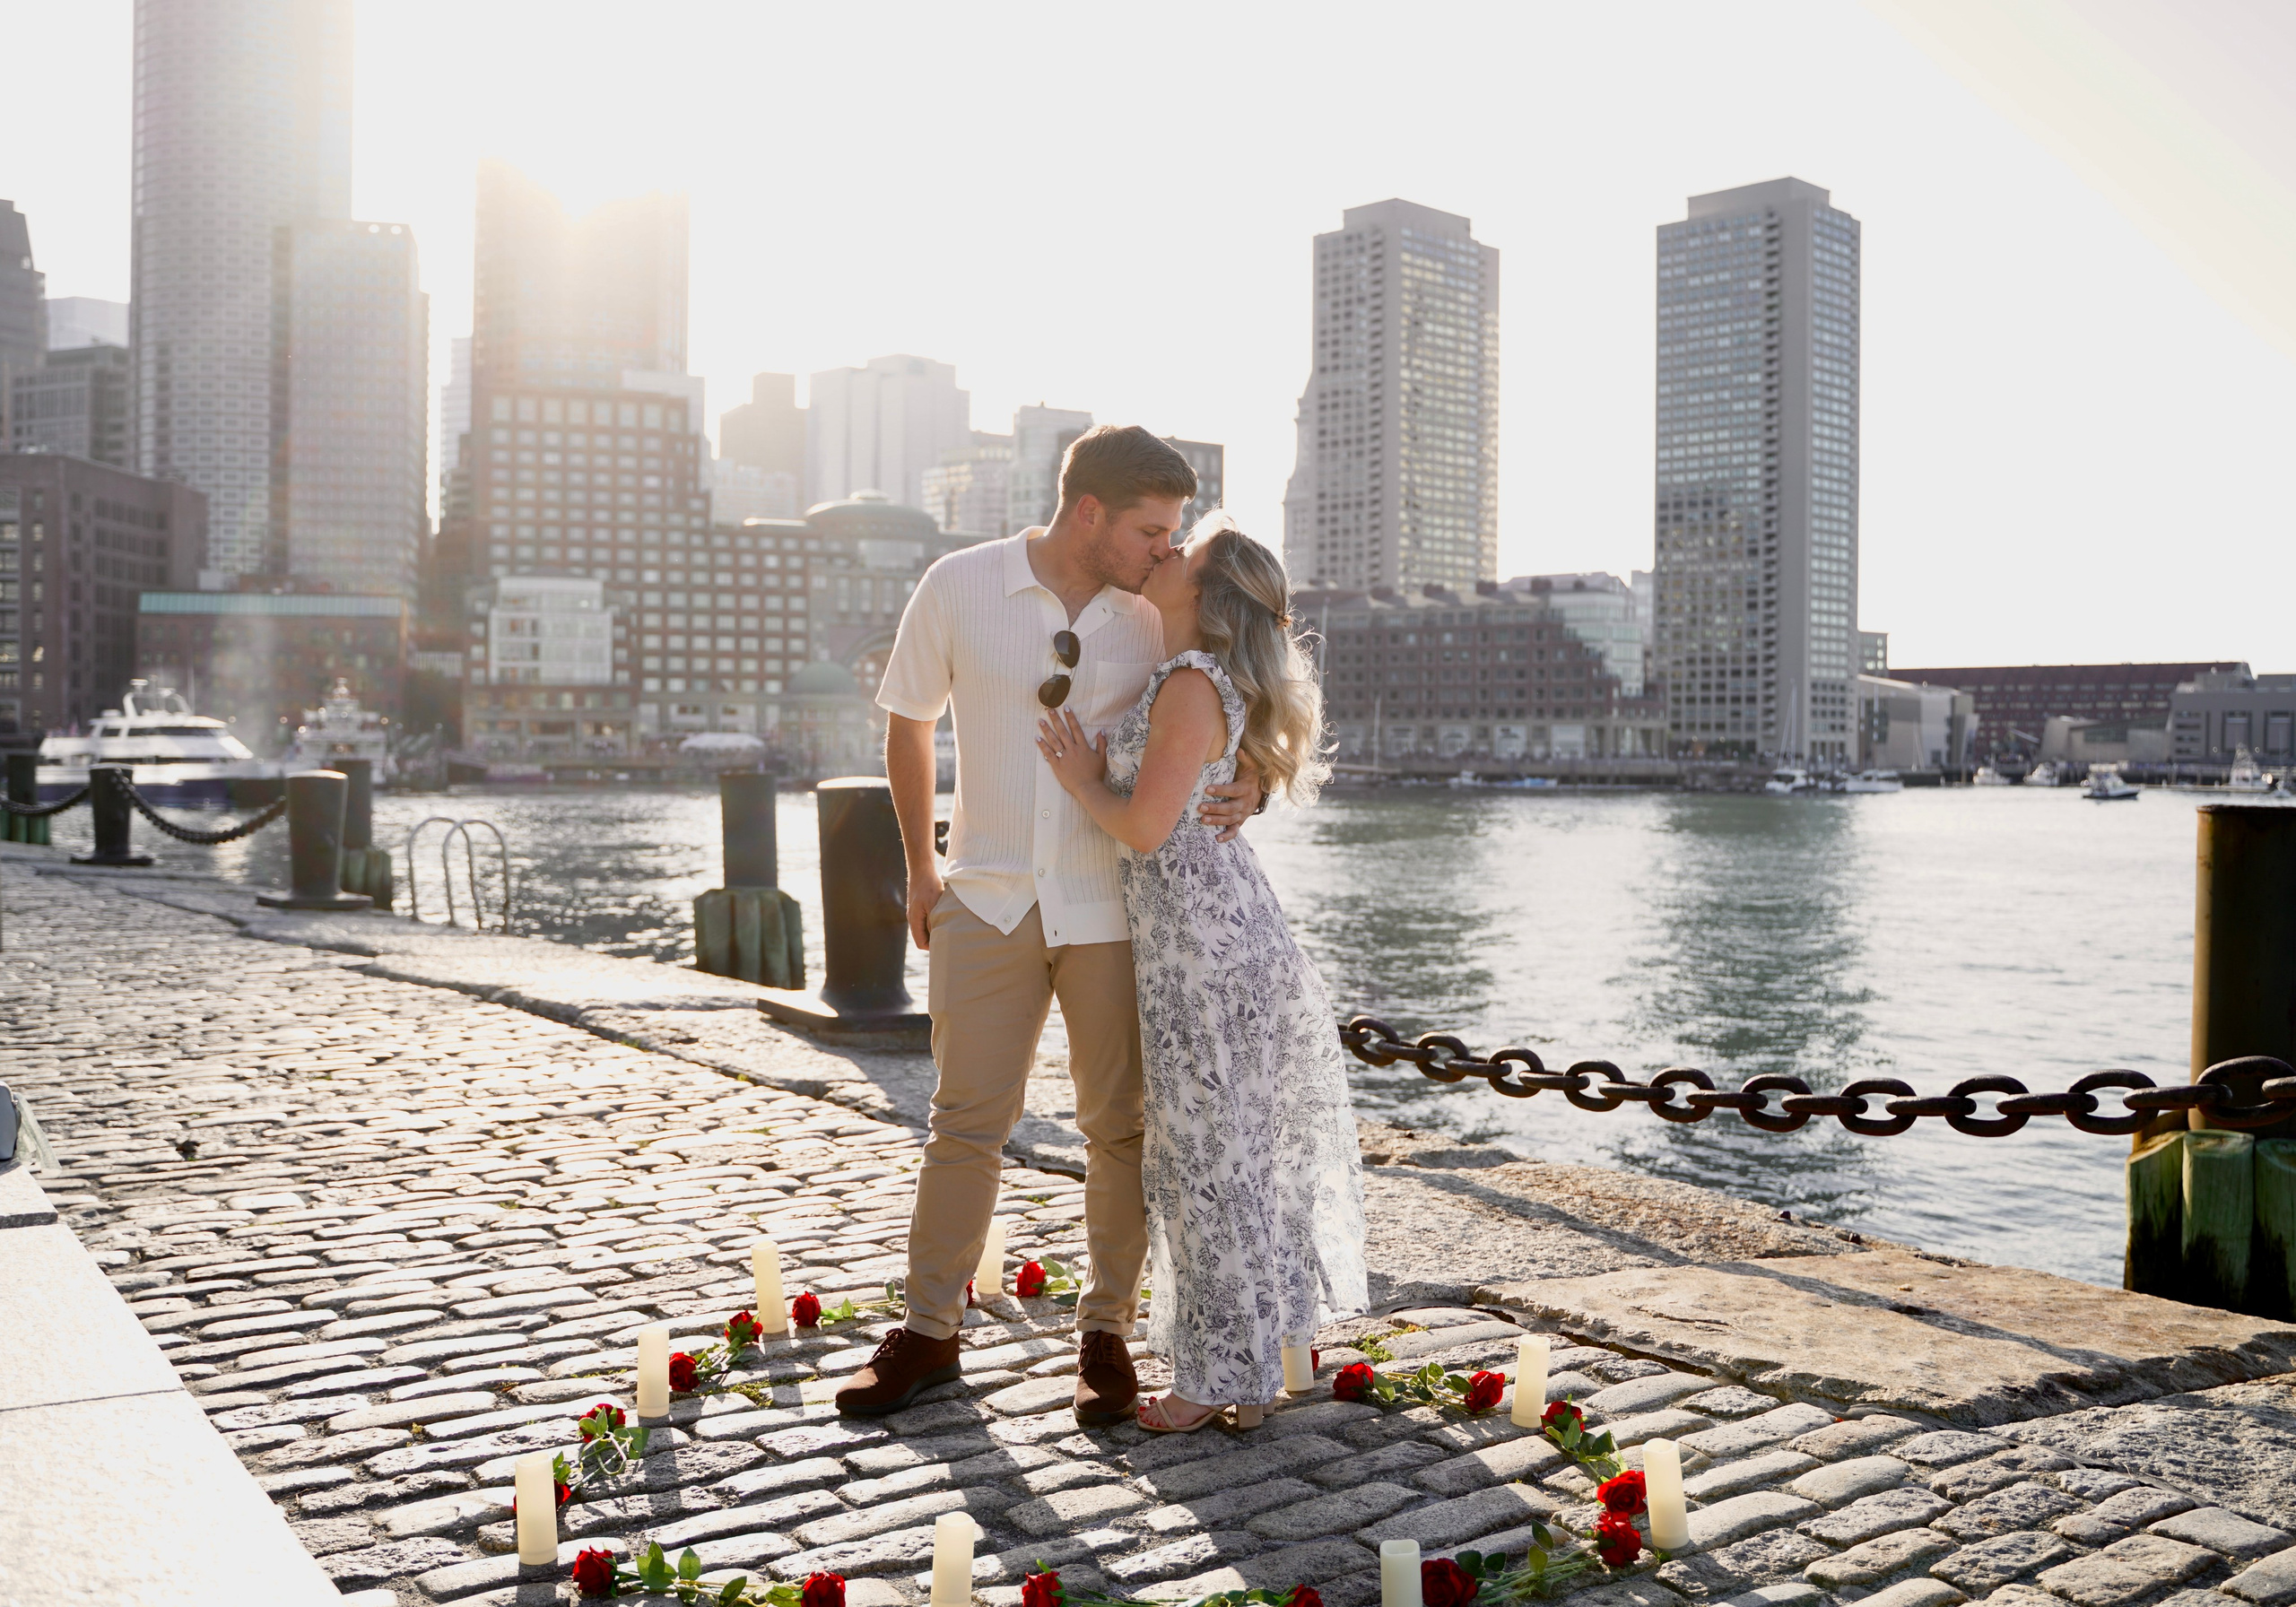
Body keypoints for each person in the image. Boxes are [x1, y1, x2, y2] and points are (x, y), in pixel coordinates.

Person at [836, 427, 1263, 1423]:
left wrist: (1254, 783)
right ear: (1089, 513)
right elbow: (907, 720)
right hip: (984, 896)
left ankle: (1105, 1331)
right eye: (1152, 530)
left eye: (1173, 533)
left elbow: (1227, 708)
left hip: (1113, 907)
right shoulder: (959, 582)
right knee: (963, 1123)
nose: (1166, 549)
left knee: (1120, 1129)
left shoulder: (1158, 611)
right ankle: (929, 1332)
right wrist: (921, 866)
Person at [1034, 515, 1368, 1433]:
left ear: (1205, 595)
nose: (1168, 551)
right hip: (1209, 939)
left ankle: (1215, 1379)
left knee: (1209, 1166)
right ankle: (1255, 1370)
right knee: (1233, 1162)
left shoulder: (1188, 682)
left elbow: (1145, 829)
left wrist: (1080, 777)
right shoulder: (1191, 676)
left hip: (1203, 953)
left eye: (1185, 551)